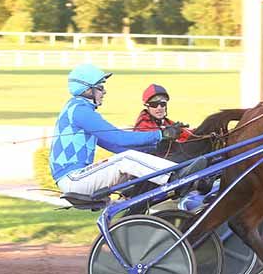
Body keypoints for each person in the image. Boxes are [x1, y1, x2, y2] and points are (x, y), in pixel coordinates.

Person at [49, 64, 204, 198]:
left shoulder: (77, 109)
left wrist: (156, 146)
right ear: (88, 90)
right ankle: (177, 177)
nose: (104, 92)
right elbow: (119, 138)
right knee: (125, 159)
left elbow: (116, 147)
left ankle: (190, 180)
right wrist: (160, 134)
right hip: (73, 179)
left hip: (76, 178)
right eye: (101, 88)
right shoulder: (80, 110)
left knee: (130, 159)